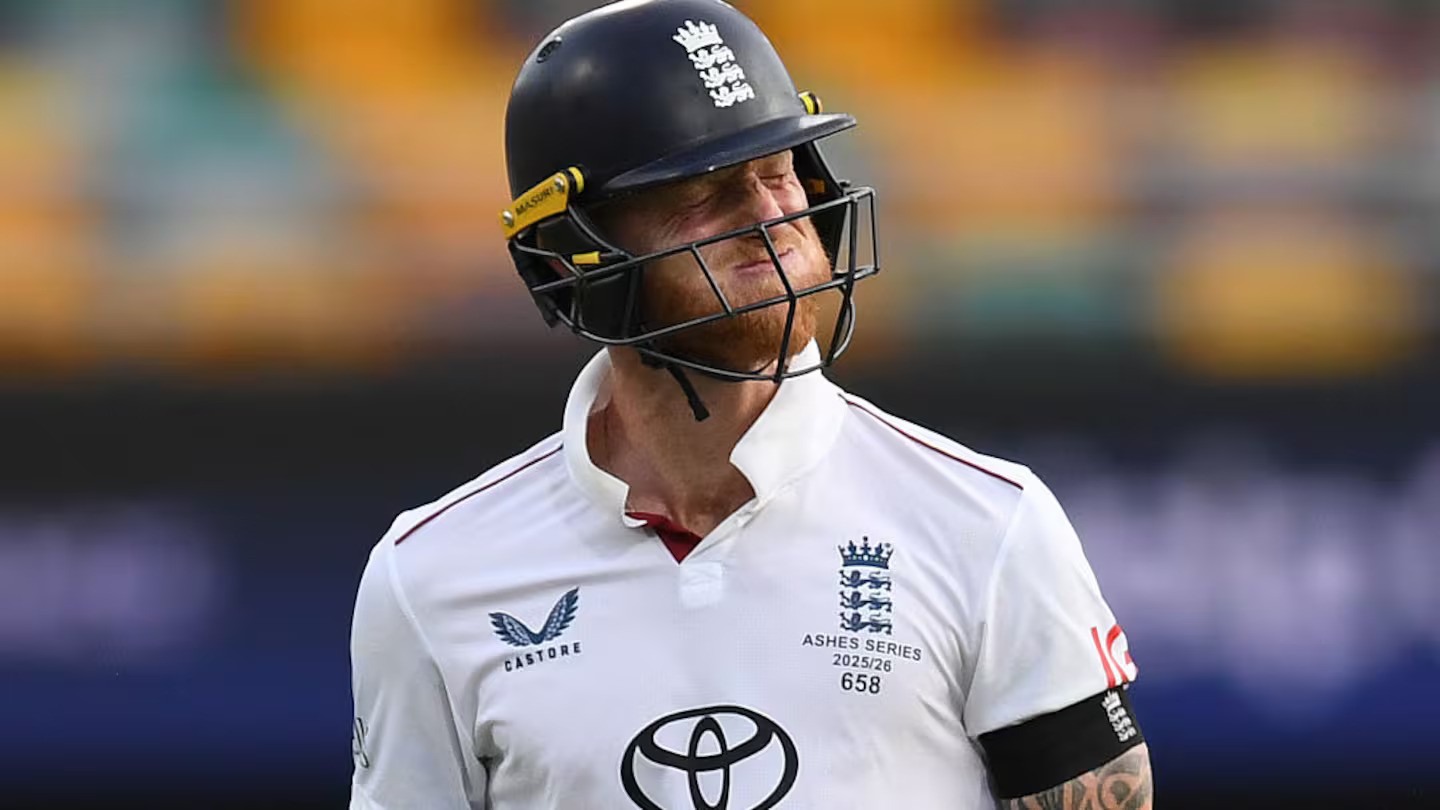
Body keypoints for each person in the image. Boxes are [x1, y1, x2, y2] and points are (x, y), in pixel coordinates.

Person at [348, 1, 1153, 808]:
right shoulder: (430, 578)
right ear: (570, 261)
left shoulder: (989, 525)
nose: (774, 219)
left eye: (780, 174)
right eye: (707, 193)